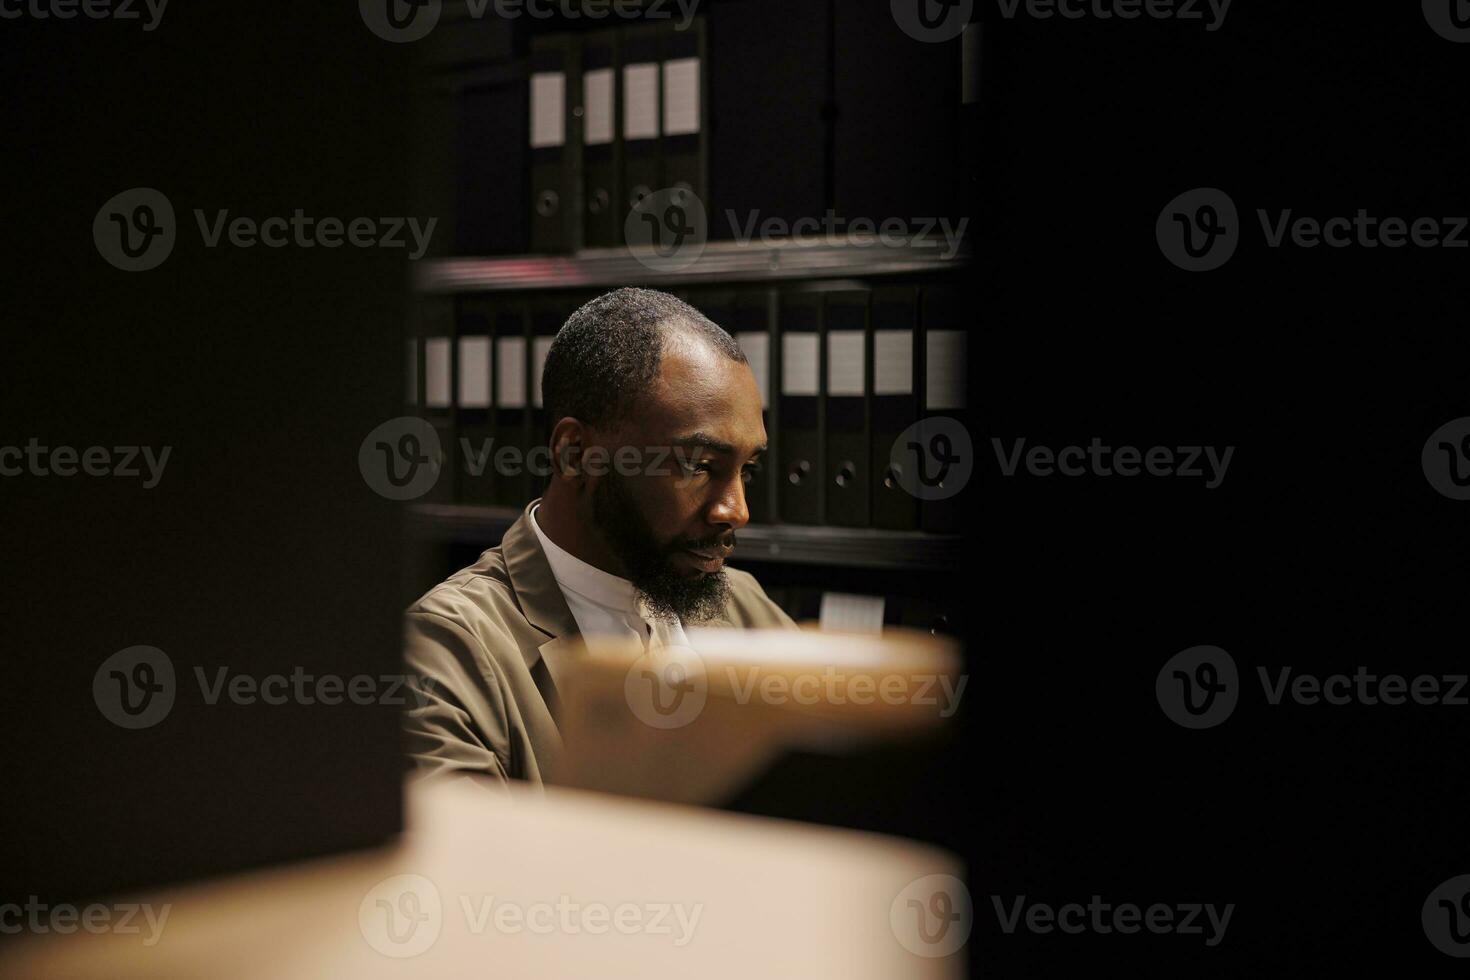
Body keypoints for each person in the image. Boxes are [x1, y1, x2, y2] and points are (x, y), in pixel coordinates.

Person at [402, 287, 796, 783]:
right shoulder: (446, 647)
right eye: (698, 466)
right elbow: (472, 857)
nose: (735, 510)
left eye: (748, 470)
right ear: (575, 454)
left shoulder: (745, 607)